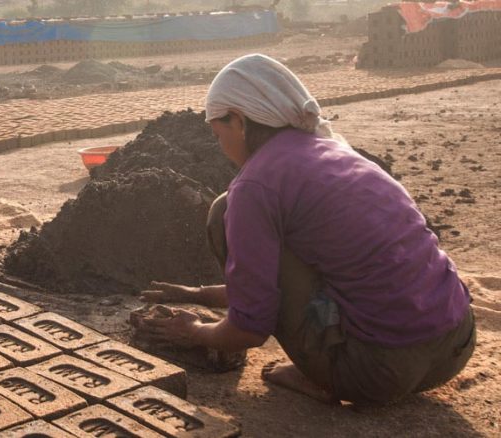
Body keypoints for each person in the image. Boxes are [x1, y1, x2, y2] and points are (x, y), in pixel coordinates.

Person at [133, 54, 475, 405]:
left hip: (379, 372)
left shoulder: (256, 185)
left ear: (238, 120)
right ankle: (339, 360)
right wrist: (200, 294)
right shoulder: (336, 153)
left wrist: (193, 332)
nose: (220, 148)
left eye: (218, 134)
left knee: (223, 212)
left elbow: (251, 327)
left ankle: (325, 374)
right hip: (457, 345)